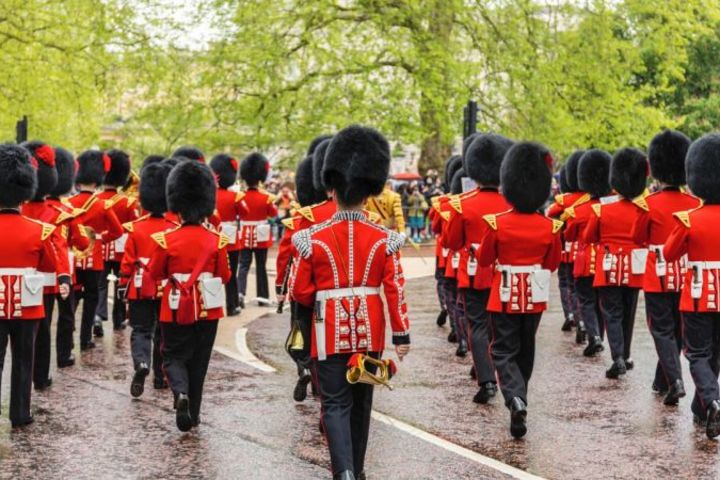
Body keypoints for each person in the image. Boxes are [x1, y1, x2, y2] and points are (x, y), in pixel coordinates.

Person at [290, 125, 410, 480]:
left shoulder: (311, 238)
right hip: (370, 333)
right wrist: (401, 336)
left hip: (328, 333)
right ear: (370, 191)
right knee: (361, 405)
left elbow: (301, 291)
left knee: (335, 404)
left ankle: (342, 471)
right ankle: (355, 471)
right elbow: (395, 289)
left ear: (330, 187)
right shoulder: (384, 239)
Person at [477, 142, 562, 438]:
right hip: (535, 297)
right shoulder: (549, 227)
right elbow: (552, 264)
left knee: (502, 349)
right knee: (526, 350)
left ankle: (515, 397)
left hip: (504, 296)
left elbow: (485, 259)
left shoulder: (498, 225)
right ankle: (519, 396)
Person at [147, 160, 231, 431]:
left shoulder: (165, 240)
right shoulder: (216, 239)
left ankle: (180, 392)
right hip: (208, 307)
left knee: (172, 355)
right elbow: (225, 276)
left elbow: (153, 273)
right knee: (200, 360)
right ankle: (193, 414)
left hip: (174, 305)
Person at [631, 130, 700, 404]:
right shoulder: (695, 204)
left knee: (660, 329)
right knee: (678, 330)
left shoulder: (648, 204)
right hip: (685, 274)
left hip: (657, 274)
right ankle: (663, 379)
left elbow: (637, 237)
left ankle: (675, 380)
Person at [445, 133, 514, 404]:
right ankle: (491, 368)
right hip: (503, 273)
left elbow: (451, 241)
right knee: (499, 326)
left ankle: (486, 381)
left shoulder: (463, 204)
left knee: (477, 326)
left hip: (474, 272)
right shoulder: (511, 202)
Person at [663, 133, 720, 438]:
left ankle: (712, 401)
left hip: (698, 295)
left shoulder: (689, 219)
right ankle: (703, 409)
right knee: (715, 354)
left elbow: (671, 254)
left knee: (696, 353)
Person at [0, 144, 58, 428]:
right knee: (24, 360)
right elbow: (50, 266)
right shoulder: (39, 230)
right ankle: (20, 414)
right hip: (28, 303)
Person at [583, 148, 649, 379]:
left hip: (609, 265)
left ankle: (618, 357)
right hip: (634, 267)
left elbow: (588, 238)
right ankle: (626, 355)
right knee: (629, 312)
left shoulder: (602, 209)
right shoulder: (642, 210)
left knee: (612, 313)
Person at [19, 141, 73, 390]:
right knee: (42, 329)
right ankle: (40, 375)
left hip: (16, 277)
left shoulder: (18, 207)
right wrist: (64, 276)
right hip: (46, 278)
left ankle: (25, 375)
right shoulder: (54, 211)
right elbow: (58, 247)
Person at [120, 163, 177, 396]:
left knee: (141, 329)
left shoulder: (136, 228)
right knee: (163, 331)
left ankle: (141, 363)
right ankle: (160, 377)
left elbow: (127, 261)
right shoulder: (174, 227)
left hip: (140, 285)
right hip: (164, 286)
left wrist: (123, 285)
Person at [67, 150, 124, 350]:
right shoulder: (102, 205)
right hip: (95, 256)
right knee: (92, 298)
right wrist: (99, 239)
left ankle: (67, 335)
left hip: (73, 257)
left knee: (72, 297)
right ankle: (85, 338)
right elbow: (117, 231)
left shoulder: (68, 204)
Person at [564, 150, 612, 356]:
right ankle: (598, 334)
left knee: (586, 300)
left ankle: (594, 336)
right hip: (604, 260)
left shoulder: (579, 210)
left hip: (584, 261)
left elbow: (568, 235)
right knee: (601, 301)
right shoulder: (611, 207)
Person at [46, 147, 89, 368]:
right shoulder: (66, 211)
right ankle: (64, 355)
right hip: (64, 272)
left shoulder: (28, 209)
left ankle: (39, 360)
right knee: (66, 316)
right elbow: (83, 242)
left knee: (40, 321)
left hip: (38, 273)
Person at [94, 149, 138, 335]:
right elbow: (133, 226)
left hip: (100, 248)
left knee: (101, 284)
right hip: (121, 249)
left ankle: (98, 315)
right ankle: (118, 319)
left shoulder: (94, 200)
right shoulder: (127, 202)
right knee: (121, 283)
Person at [546, 150, 585, 333]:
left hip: (567, 249)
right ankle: (582, 319)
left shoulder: (564, 200)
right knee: (581, 288)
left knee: (565, 283)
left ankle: (570, 314)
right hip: (587, 251)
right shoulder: (592, 201)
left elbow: (550, 214)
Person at [237, 152, 277, 308]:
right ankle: (262, 296)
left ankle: (240, 293)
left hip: (245, 234)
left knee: (244, 265)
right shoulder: (265, 198)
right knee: (261, 266)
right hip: (260, 235)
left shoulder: (240, 197)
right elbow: (273, 214)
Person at [210, 153, 245, 316]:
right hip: (231, 239)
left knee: (214, 272)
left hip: (213, 236)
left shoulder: (210, 195)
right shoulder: (235, 196)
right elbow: (245, 212)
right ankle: (232, 306)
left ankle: (212, 304)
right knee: (231, 273)